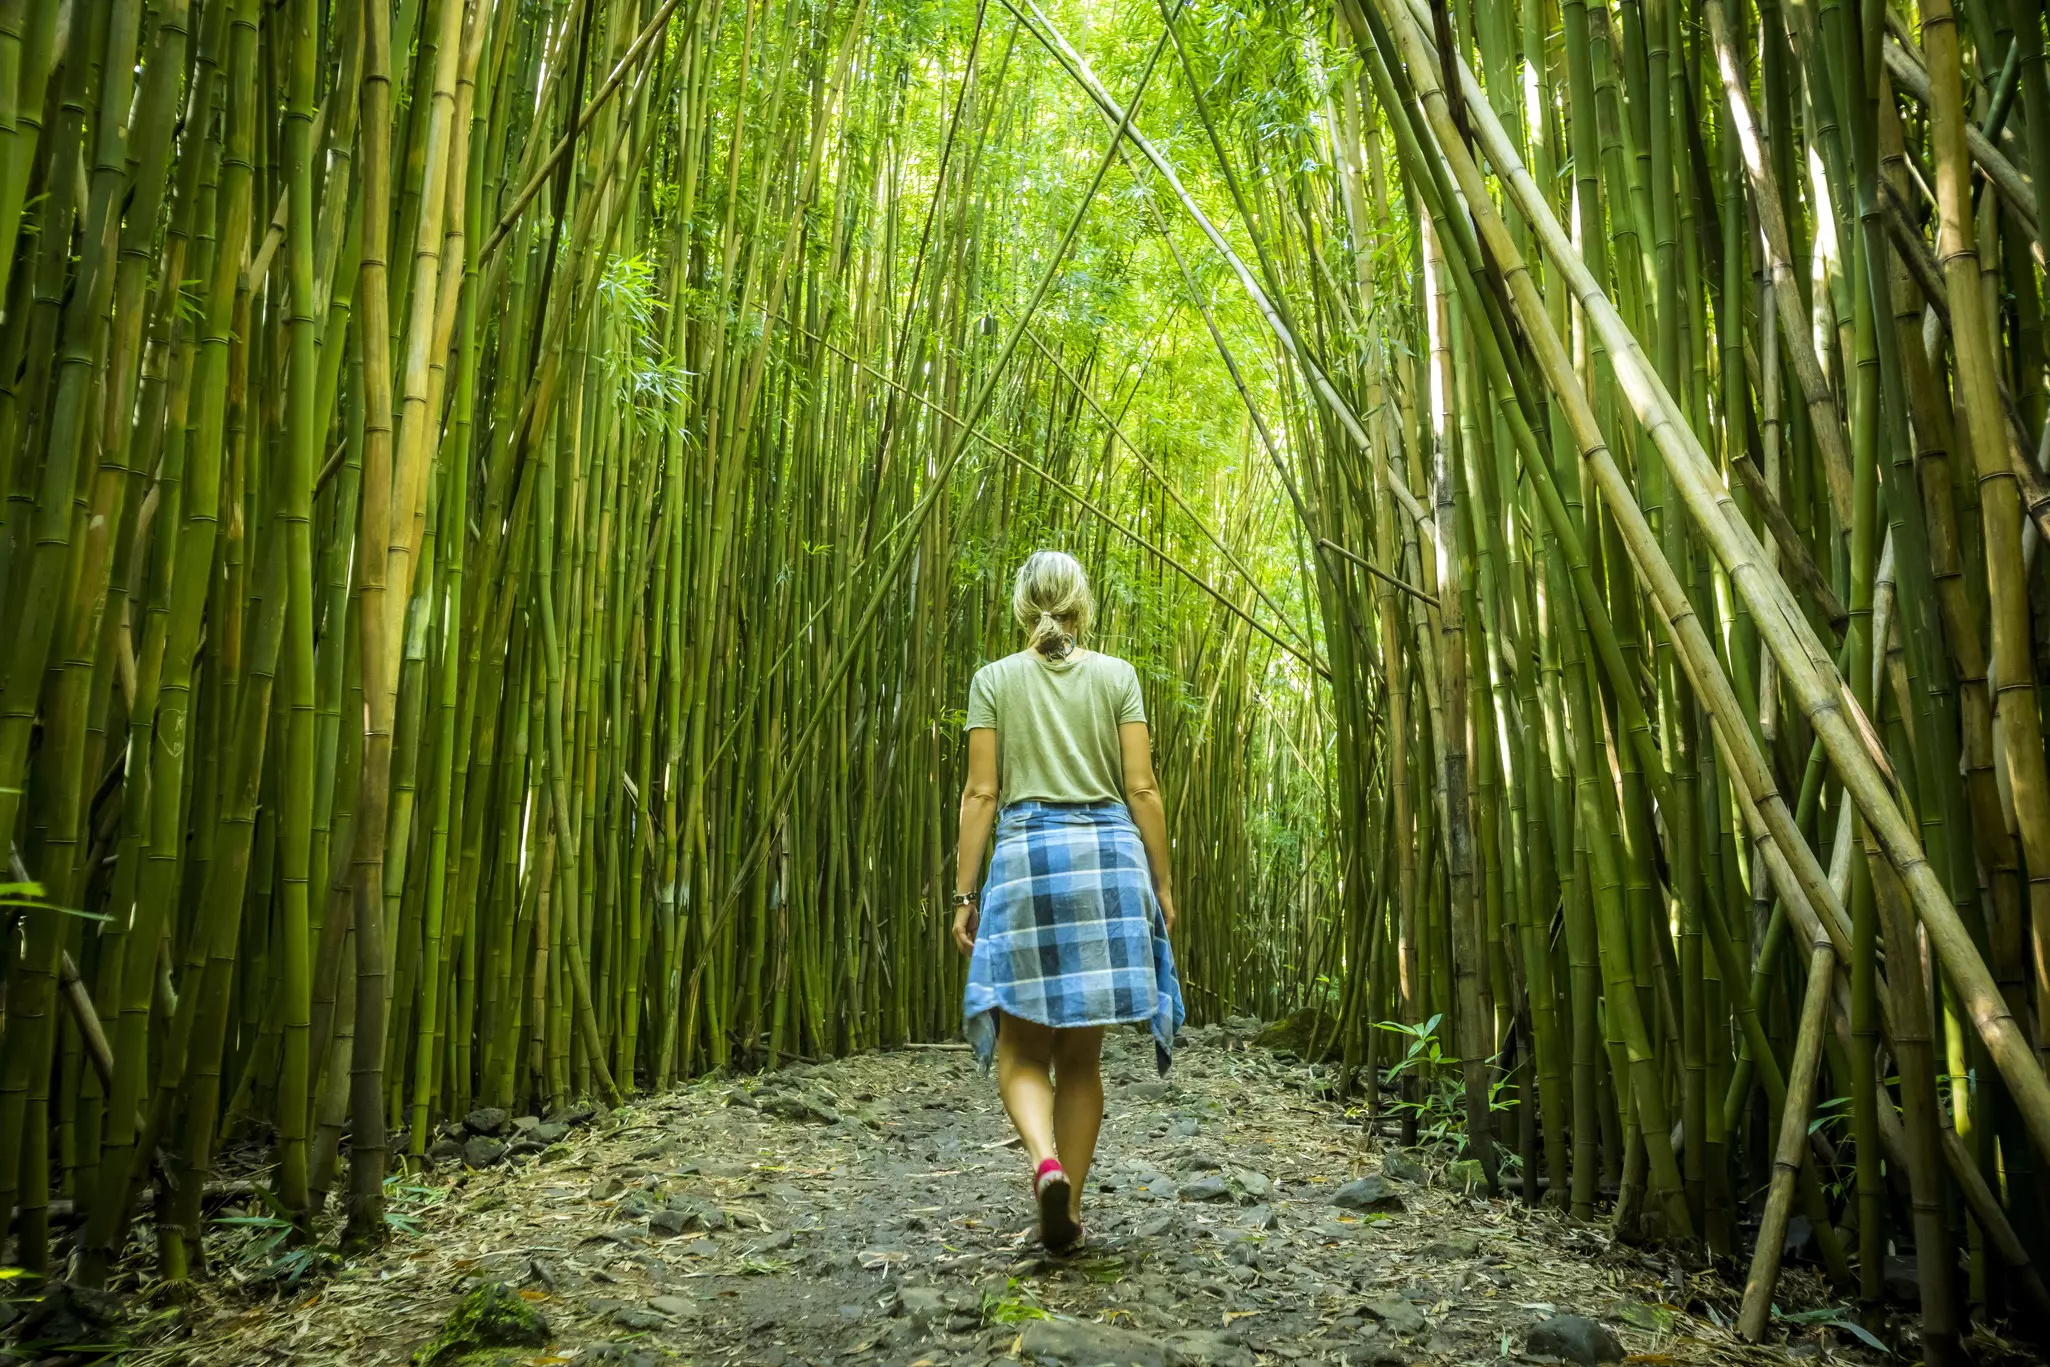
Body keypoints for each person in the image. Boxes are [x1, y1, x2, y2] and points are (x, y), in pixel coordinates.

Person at [950, 550, 1184, 1254]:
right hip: (1109, 861)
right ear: (1084, 603)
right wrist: (1162, 882)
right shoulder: (1118, 676)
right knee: (1082, 1057)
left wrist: (965, 892)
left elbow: (981, 793)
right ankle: (1071, 1210)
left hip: (1029, 860)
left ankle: (1044, 1163)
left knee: (1020, 1048)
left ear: (1022, 607)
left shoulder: (994, 680)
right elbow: (1143, 788)